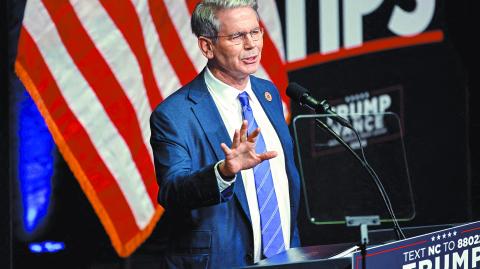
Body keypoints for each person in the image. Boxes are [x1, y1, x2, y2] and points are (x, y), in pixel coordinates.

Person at [149, 0, 301, 268]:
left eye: (255, 32)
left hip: (286, 259)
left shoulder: (268, 93)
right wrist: (223, 172)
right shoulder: (175, 114)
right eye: (237, 36)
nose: (251, 44)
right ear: (207, 46)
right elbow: (172, 191)